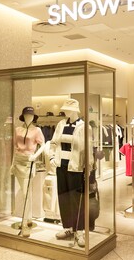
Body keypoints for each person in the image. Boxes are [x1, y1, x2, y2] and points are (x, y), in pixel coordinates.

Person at [49, 98, 89, 247]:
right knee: (63, 197)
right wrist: (52, 157)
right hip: (61, 166)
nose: (65, 111)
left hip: (76, 167)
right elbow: (53, 142)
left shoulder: (83, 126)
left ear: (74, 110)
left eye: (67, 109)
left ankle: (79, 230)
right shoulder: (61, 124)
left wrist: (88, 166)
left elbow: (88, 148)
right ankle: (68, 227)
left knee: (76, 199)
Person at [10, 107, 45, 237]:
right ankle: (28, 219)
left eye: (30, 115)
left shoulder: (37, 130)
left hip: (28, 162)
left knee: (26, 193)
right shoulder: (17, 130)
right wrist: (12, 163)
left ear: (33, 117)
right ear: (23, 116)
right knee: (26, 193)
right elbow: (15, 147)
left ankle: (25, 223)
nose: (28, 117)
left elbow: (44, 145)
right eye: (26, 115)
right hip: (18, 161)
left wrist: (35, 156)